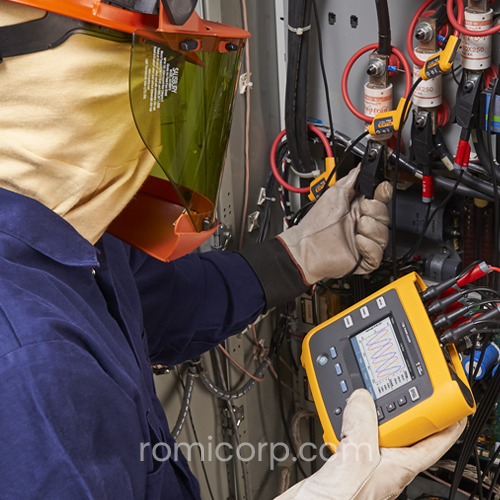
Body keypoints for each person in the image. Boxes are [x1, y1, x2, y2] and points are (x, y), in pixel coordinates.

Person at [0, 1, 463, 499]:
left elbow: (160, 304)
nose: (160, 129)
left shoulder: (70, 227)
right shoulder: (32, 368)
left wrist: (300, 253)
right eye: (154, 80)